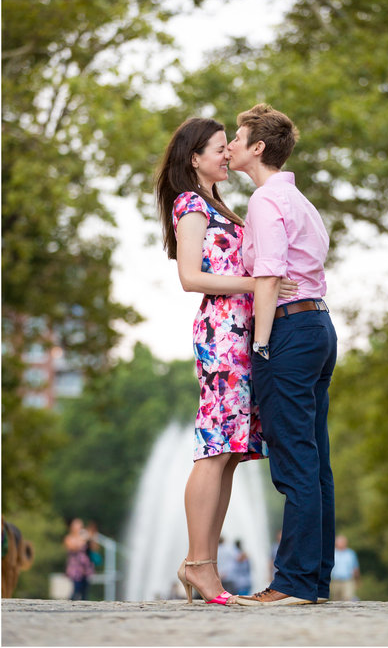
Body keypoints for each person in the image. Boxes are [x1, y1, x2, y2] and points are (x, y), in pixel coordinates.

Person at [156, 118, 296, 606]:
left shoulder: (219, 205)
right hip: (221, 335)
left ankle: (201, 562)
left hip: (240, 336)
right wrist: (258, 284)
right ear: (194, 158)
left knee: (232, 453)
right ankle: (198, 565)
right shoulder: (189, 204)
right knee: (214, 449)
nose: (226, 154)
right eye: (219, 147)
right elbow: (191, 278)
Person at [228, 104, 338, 607]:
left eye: (236, 136)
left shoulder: (265, 201)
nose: (228, 144)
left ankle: (292, 583)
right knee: (315, 464)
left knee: (295, 463)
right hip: (319, 327)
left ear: (258, 148)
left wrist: (261, 344)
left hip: (289, 333)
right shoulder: (300, 201)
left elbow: (269, 275)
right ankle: (312, 583)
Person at [63, 518, 94, 601]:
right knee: (76, 589)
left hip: (85, 567)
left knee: (85, 591)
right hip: (75, 568)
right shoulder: (69, 538)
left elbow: (94, 548)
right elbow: (74, 547)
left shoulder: (84, 537)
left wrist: (90, 538)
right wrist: (83, 539)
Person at [330, 536, 361, 601]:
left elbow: (355, 567)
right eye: (339, 542)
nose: (341, 544)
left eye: (342, 542)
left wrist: (357, 580)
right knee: (336, 599)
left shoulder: (351, 553)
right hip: (335, 580)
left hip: (348, 580)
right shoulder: (332, 553)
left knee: (348, 598)